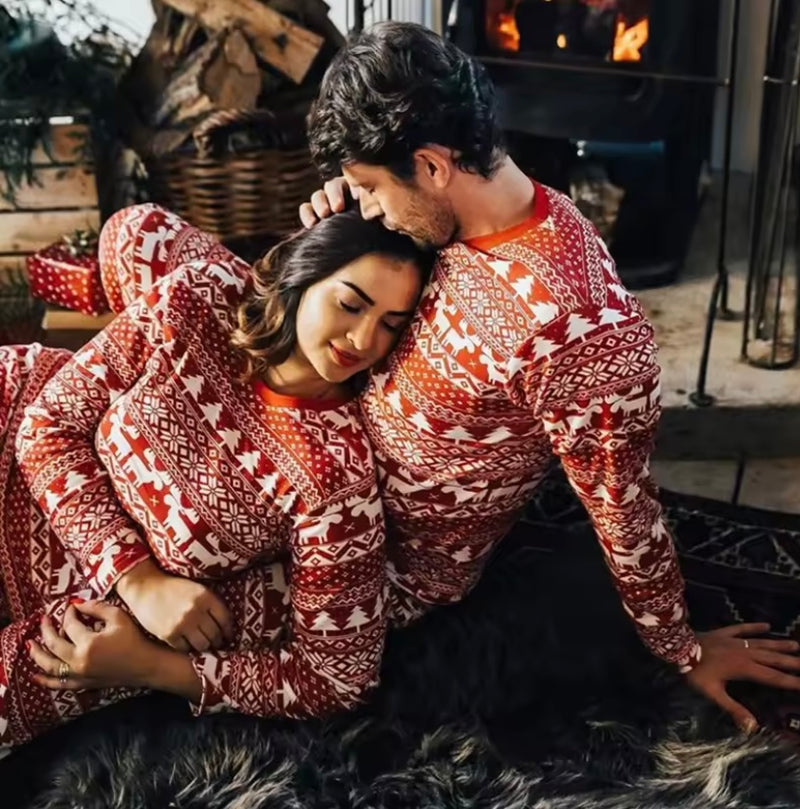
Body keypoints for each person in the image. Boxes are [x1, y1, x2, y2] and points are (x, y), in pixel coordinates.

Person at [299, 21, 800, 734]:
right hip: (310, 439)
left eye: (371, 188)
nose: (369, 205)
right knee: (153, 254)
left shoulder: (579, 332)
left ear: (435, 166)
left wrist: (681, 649)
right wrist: (332, 241)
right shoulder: (453, 219)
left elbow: (623, 507)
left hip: (362, 551)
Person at [0, 203, 432, 753]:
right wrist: (137, 577)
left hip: (83, 607)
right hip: (14, 435)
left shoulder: (335, 480)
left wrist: (151, 667)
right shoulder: (200, 295)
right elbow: (47, 425)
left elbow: (337, 680)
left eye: (391, 325)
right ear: (303, 275)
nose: (364, 338)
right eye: (351, 304)